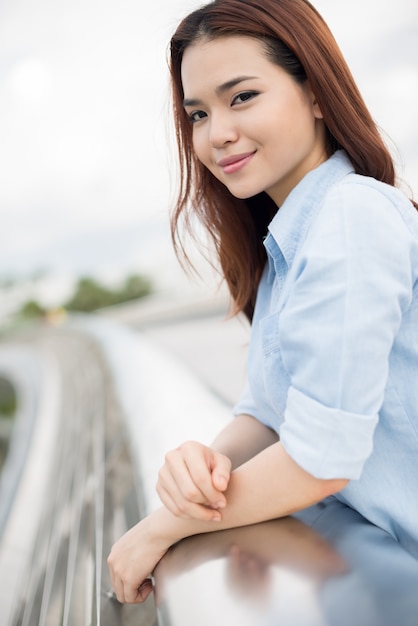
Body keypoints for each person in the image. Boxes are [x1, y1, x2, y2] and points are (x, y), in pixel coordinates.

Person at [108, 0, 418, 603]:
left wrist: (167, 525)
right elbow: (269, 414)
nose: (216, 132)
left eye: (242, 96)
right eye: (198, 112)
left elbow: (321, 455)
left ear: (316, 93)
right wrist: (204, 465)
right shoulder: (288, 247)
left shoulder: (351, 216)